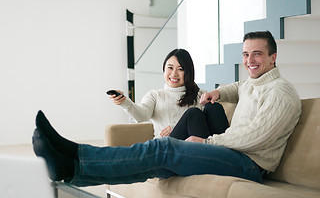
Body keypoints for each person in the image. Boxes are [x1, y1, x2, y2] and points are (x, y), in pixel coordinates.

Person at [32, 31, 301, 186]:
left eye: (257, 54)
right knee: (159, 162)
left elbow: (256, 136)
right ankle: (71, 167)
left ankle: (74, 155)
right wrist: (218, 92)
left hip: (250, 165)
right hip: (233, 153)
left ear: (273, 58)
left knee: (162, 148)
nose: (250, 60)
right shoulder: (253, 83)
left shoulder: (282, 93)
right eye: (245, 54)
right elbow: (240, 87)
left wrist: (208, 140)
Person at [109, 48, 228, 138]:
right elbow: (141, 115)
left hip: (195, 146)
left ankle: (225, 155)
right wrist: (125, 102)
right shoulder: (155, 95)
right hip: (168, 147)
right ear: (164, 69)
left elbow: (206, 128)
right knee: (193, 113)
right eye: (170, 68)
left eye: (180, 69)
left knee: (214, 107)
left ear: (188, 73)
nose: (174, 74)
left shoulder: (200, 95)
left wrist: (179, 128)